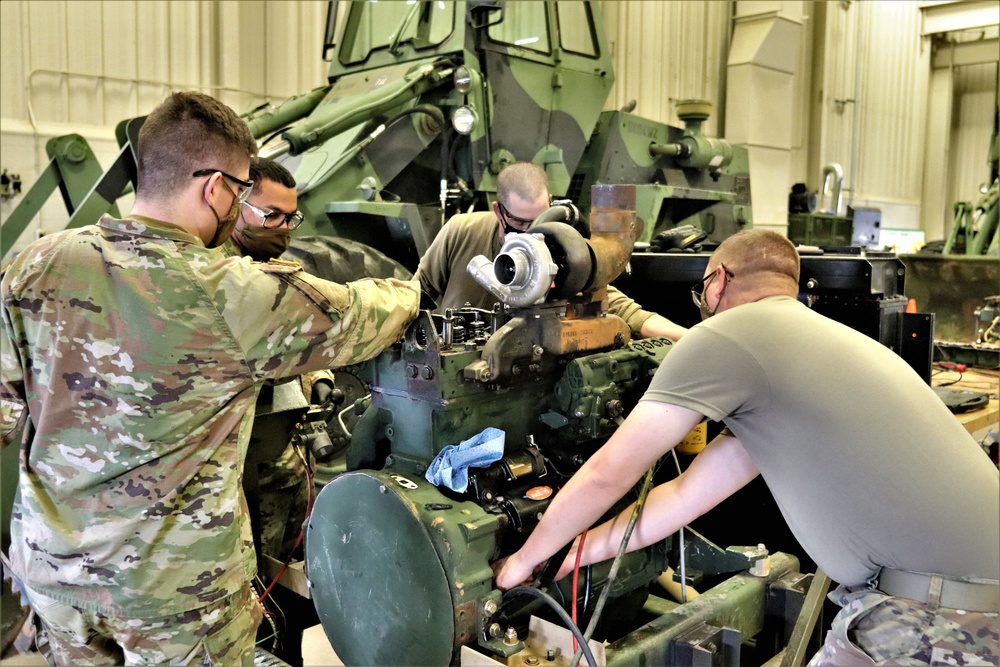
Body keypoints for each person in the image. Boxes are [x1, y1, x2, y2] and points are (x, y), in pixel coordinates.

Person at [0, 91, 419, 666]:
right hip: (174, 598)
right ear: (215, 187)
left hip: (55, 578)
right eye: (244, 190)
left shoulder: (33, 267)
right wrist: (418, 285)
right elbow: (363, 314)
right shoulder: (227, 293)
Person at [496, 229, 999, 665]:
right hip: (962, 593)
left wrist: (524, 560)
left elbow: (610, 473)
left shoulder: (727, 335)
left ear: (717, 280)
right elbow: (681, 497)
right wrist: (567, 555)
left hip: (936, 609)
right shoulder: (803, 351)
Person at [414, 162, 688, 341]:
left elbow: (622, 308)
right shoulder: (461, 231)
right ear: (499, 211)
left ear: (552, 205)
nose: (531, 232)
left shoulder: (558, 247)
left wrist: (690, 339)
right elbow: (415, 295)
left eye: (539, 220)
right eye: (520, 223)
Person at [219, 157, 318, 565]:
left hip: (275, 442)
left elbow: (301, 337)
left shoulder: (273, 266)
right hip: (232, 457)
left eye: (290, 218)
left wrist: (319, 375)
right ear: (236, 201)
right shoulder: (216, 270)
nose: (281, 228)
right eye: (271, 214)